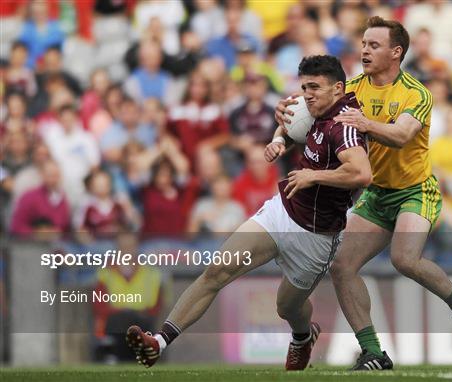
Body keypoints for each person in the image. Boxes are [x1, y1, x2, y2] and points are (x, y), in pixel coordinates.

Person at [126, 55, 372, 370]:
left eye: (315, 87)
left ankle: (302, 336)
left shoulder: (346, 125)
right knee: (218, 270)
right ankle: (158, 343)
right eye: (305, 86)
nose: (307, 94)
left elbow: (362, 173)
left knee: (288, 308)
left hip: (317, 236)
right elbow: (288, 125)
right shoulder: (315, 107)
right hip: (281, 212)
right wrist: (277, 140)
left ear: (338, 88)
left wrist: (314, 175)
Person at [276, 16, 452, 372]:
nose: (365, 50)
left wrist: (365, 123)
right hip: (376, 195)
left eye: (374, 45)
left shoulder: (416, 93)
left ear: (396, 52)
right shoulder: (353, 87)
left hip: (415, 191)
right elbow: (310, 112)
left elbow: (402, 135)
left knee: (404, 259)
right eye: (364, 44)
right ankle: (373, 351)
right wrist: (283, 121)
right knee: (342, 266)